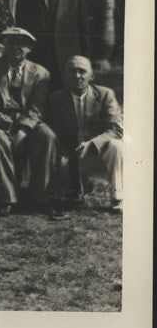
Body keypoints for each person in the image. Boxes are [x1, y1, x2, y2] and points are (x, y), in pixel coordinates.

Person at [0, 27, 51, 216]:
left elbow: (38, 109)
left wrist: (24, 129)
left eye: (22, 44)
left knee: (46, 135)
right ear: (4, 45)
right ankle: (8, 197)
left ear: (30, 49)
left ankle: (39, 197)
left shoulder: (40, 73)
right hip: (0, 121)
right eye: (11, 43)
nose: (16, 47)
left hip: (26, 121)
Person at [41, 56, 123, 213]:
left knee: (117, 146)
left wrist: (92, 143)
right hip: (70, 157)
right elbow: (51, 132)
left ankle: (118, 198)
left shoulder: (105, 95)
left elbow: (117, 129)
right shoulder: (55, 99)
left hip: (98, 153)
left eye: (82, 71)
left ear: (91, 76)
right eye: (72, 71)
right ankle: (78, 188)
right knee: (68, 195)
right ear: (65, 75)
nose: (77, 75)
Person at [15, 0, 91, 87]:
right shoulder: (26, 2)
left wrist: (84, 66)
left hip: (66, 68)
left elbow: (84, 37)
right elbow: (21, 38)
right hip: (36, 69)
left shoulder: (76, 0)